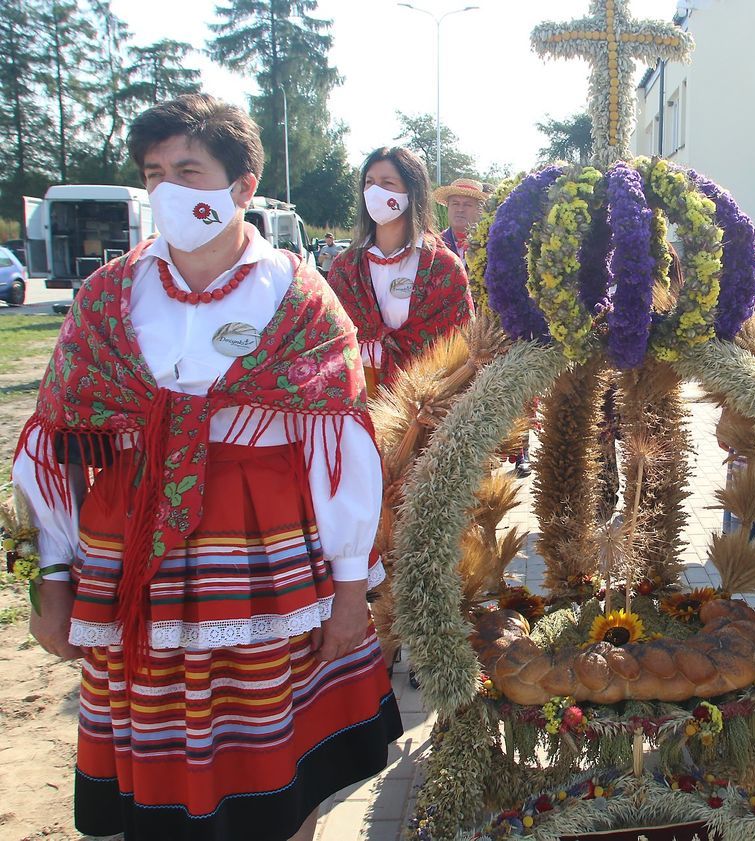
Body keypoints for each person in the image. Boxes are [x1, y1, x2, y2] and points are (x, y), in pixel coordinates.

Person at [12, 94, 402, 841]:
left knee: (283, 768)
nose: (167, 190)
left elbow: (345, 456)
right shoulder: (106, 300)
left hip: (267, 564)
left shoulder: (301, 301)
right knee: (156, 767)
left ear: (243, 186)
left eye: (188, 169)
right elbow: (56, 450)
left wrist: (351, 587)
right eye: (154, 174)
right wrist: (49, 581)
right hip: (134, 561)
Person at [326, 147, 473, 396]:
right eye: (369, 183)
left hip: (420, 407)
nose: (375, 192)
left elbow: (459, 347)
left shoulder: (442, 268)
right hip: (356, 400)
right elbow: (329, 341)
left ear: (411, 191)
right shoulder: (345, 268)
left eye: (387, 183)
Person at [435, 177, 490, 266]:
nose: (460, 209)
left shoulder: (489, 244)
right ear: (448, 207)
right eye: (455, 204)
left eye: (467, 205)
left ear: (480, 210)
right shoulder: (434, 244)